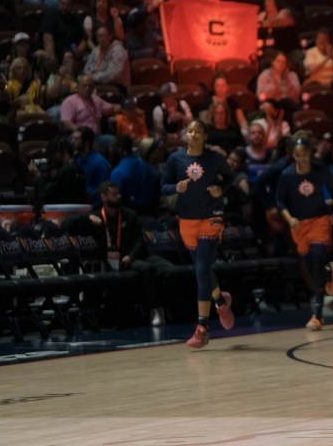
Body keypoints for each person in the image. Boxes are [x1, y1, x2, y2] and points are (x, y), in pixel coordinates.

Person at [162, 120, 235, 348]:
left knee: (202, 268)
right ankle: (221, 300)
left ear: (205, 136)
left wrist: (221, 189)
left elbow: (232, 178)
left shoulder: (214, 158)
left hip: (211, 217)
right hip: (187, 220)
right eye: (190, 130)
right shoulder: (176, 159)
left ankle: (202, 327)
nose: (192, 134)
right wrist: (175, 188)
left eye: (197, 132)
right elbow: (162, 186)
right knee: (202, 270)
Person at [277, 135, 333, 330]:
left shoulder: (321, 170)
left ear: (310, 153)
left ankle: (317, 315)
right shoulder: (287, 175)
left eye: (304, 154)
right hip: (299, 224)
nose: (301, 159)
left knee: (317, 256)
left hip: (320, 220)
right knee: (311, 265)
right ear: (293, 156)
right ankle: (329, 272)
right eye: (297, 155)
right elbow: (280, 201)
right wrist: (289, 219)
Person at [90, 181, 173, 326]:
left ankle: (170, 306)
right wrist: (85, 218)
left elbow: (140, 240)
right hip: (118, 260)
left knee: (170, 270)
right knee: (147, 269)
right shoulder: (96, 217)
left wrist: (132, 255)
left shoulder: (129, 214)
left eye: (118, 193)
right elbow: (68, 225)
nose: (119, 196)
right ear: (103, 197)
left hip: (137, 255)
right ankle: (155, 309)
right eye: (114, 194)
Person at [109, 134, 158, 216]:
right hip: (148, 211)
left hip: (127, 214)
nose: (110, 149)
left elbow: (114, 199)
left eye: (113, 147)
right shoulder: (144, 163)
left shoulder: (119, 172)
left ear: (121, 150)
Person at [83, 22, 131, 92]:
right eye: (99, 36)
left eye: (103, 36)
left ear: (110, 36)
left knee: (90, 90)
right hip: (97, 82)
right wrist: (89, 76)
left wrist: (93, 77)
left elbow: (113, 75)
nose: (101, 39)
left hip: (117, 86)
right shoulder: (96, 50)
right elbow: (86, 68)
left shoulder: (118, 50)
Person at [71, 125, 111, 207]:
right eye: (73, 138)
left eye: (76, 139)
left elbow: (104, 189)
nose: (72, 142)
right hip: (80, 203)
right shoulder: (77, 159)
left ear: (86, 142)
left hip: (94, 206)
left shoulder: (100, 163)